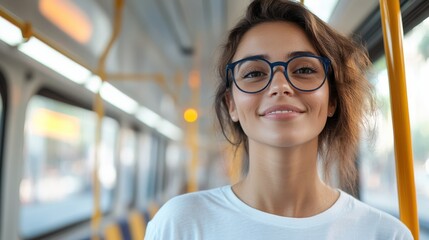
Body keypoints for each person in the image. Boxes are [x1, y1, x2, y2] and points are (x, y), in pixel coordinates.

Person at [144, 0, 413, 239]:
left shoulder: (385, 234)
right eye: (254, 74)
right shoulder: (179, 224)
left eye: (304, 69)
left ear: (331, 100)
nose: (279, 85)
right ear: (232, 105)